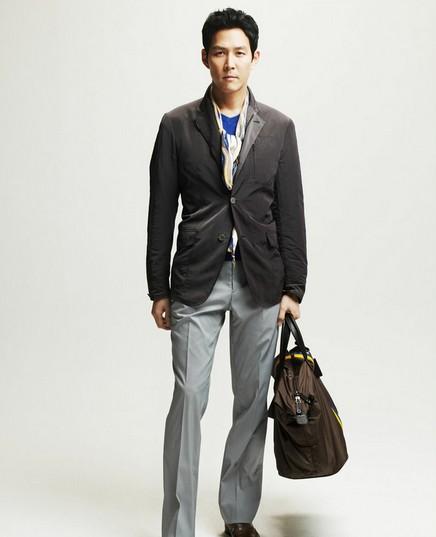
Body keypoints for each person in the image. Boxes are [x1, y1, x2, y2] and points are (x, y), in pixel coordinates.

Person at [146, 8, 308, 537]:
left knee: (251, 401)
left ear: (255, 58)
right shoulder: (176, 125)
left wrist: (294, 287)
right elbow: (160, 211)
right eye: (220, 52)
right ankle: (178, 527)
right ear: (205, 58)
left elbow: (290, 211)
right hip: (196, 280)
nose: (230, 63)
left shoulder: (279, 128)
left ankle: (238, 516)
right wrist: (158, 287)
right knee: (189, 397)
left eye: (240, 53)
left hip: (261, 282)